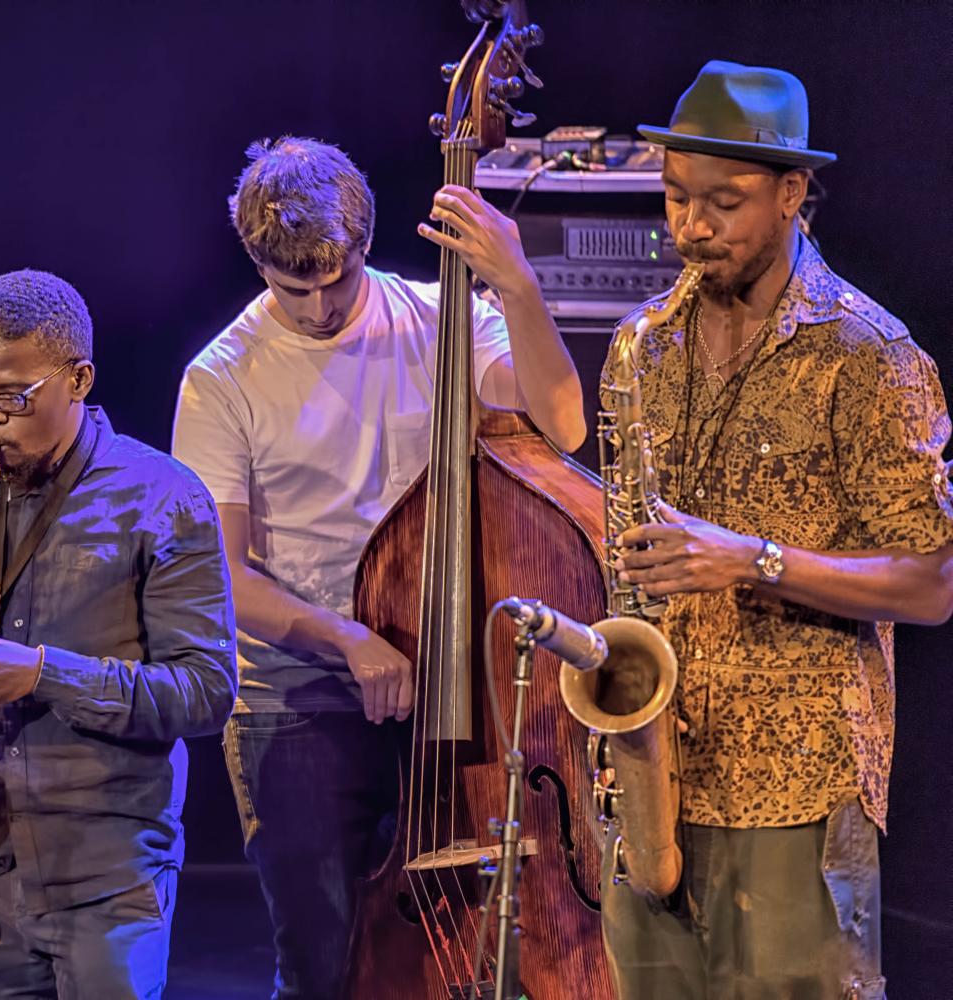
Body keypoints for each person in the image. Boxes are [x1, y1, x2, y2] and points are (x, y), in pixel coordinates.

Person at [171, 136, 586, 998]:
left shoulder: (441, 318)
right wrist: (348, 639)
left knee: (478, 943)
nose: (321, 309)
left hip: (458, 676)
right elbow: (227, 576)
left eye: (338, 281)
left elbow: (564, 426)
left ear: (364, 247)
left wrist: (517, 282)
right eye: (295, 290)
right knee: (327, 962)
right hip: (303, 690)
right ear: (257, 263)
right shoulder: (220, 379)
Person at [599, 61, 953, 999]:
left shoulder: (871, 356)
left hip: (799, 781)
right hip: (656, 772)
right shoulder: (642, 344)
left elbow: (931, 583)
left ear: (794, 193)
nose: (693, 226)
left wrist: (749, 559)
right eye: (676, 197)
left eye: (725, 201)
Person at [0, 268, 237, 999]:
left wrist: (39, 673)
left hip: (108, 876)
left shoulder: (163, 498)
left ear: (79, 379)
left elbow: (207, 692)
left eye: (12, 398)